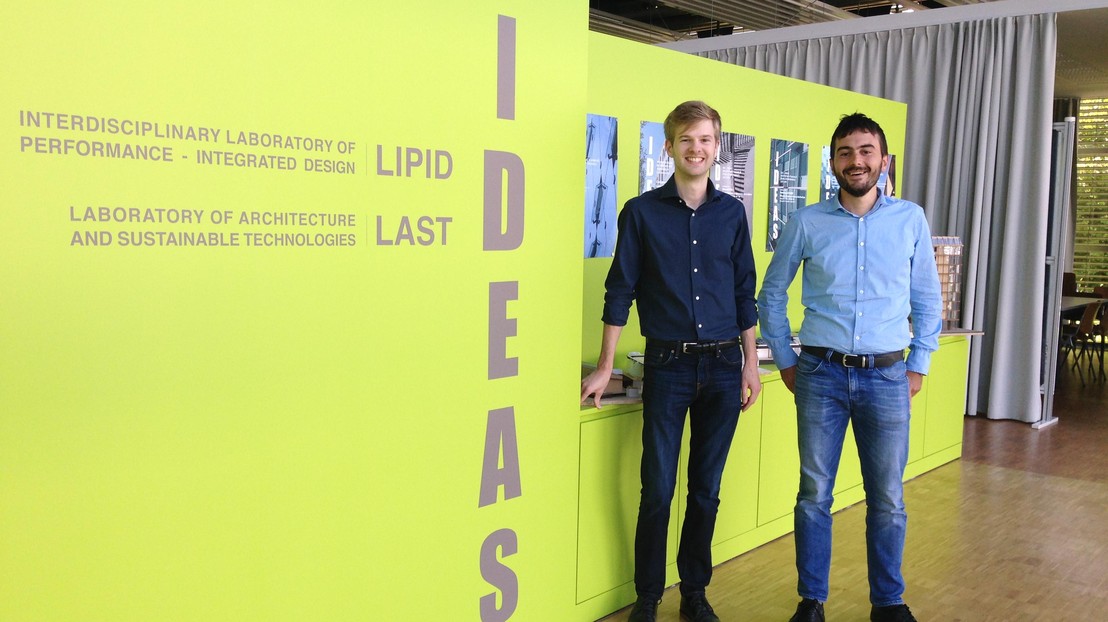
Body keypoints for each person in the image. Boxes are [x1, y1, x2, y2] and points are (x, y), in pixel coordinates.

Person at [757, 113, 942, 622]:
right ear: (832, 162)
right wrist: (787, 359)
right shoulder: (806, 222)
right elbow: (771, 294)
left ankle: (888, 603)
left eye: (865, 151)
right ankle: (811, 601)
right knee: (814, 493)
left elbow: (927, 298)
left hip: (887, 376)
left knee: (888, 497)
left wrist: (919, 364)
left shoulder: (910, 219)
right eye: (845, 152)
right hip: (821, 375)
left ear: (884, 160)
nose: (855, 161)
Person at [581, 100, 761, 622]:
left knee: (705, 490)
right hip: (668, 366)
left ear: (717, 146)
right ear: (669, 147)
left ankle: (695, 593)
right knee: (657, 490)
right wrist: (604, 366)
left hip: (724, 367)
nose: (696, 149)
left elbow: (744, 293)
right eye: (686, 140)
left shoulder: (732, 214)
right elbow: (620, 291)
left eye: (705, 140)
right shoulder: (640, 213)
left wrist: (751, 364)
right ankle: (648, 597)